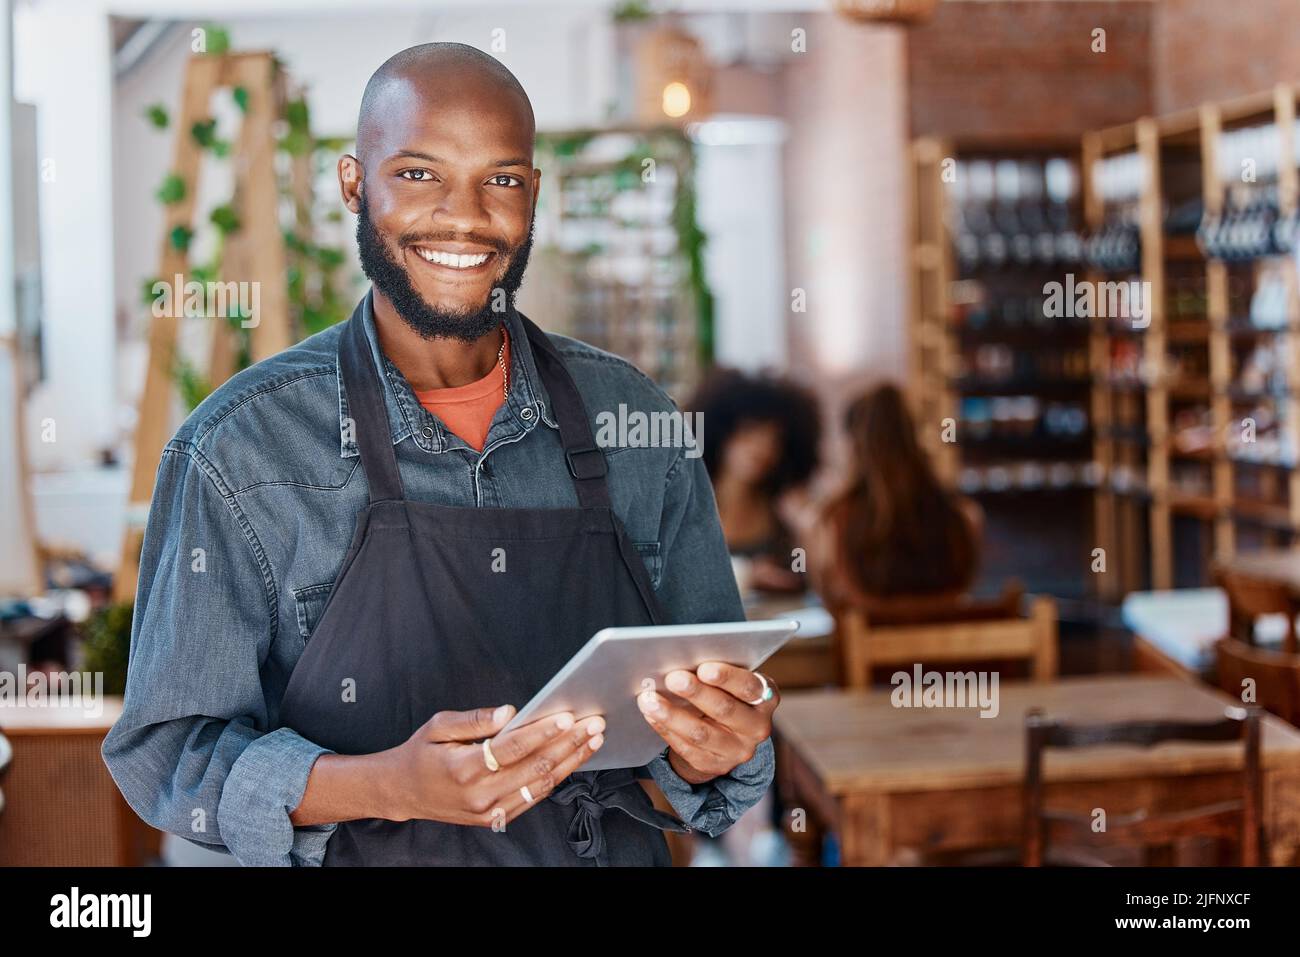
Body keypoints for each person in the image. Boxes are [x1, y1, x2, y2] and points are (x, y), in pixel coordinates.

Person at [102, 43, 779, 866]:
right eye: (419, 174)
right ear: (354, 184)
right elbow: (169, 754)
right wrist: (388, 784)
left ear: (533, 196)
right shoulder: (239, 449)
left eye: (501, 179)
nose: (464, 216)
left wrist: (718, 747)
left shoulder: (639, 426)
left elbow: (714, 747)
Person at [813, 384, 981, 610]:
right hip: (947, 643)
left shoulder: (835, 518)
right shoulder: (962, 514)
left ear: (854, 444)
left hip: (868, 644)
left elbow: (832, 600)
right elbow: (964, 587)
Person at [690, 368, 821, 594]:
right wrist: (748, 574)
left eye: (775, 438)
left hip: (777, 623)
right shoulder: (688, 503)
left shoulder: (782, 508)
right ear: (721, 432)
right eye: (750, 431)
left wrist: (805, 529)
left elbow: (806, 575)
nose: (762, 447)